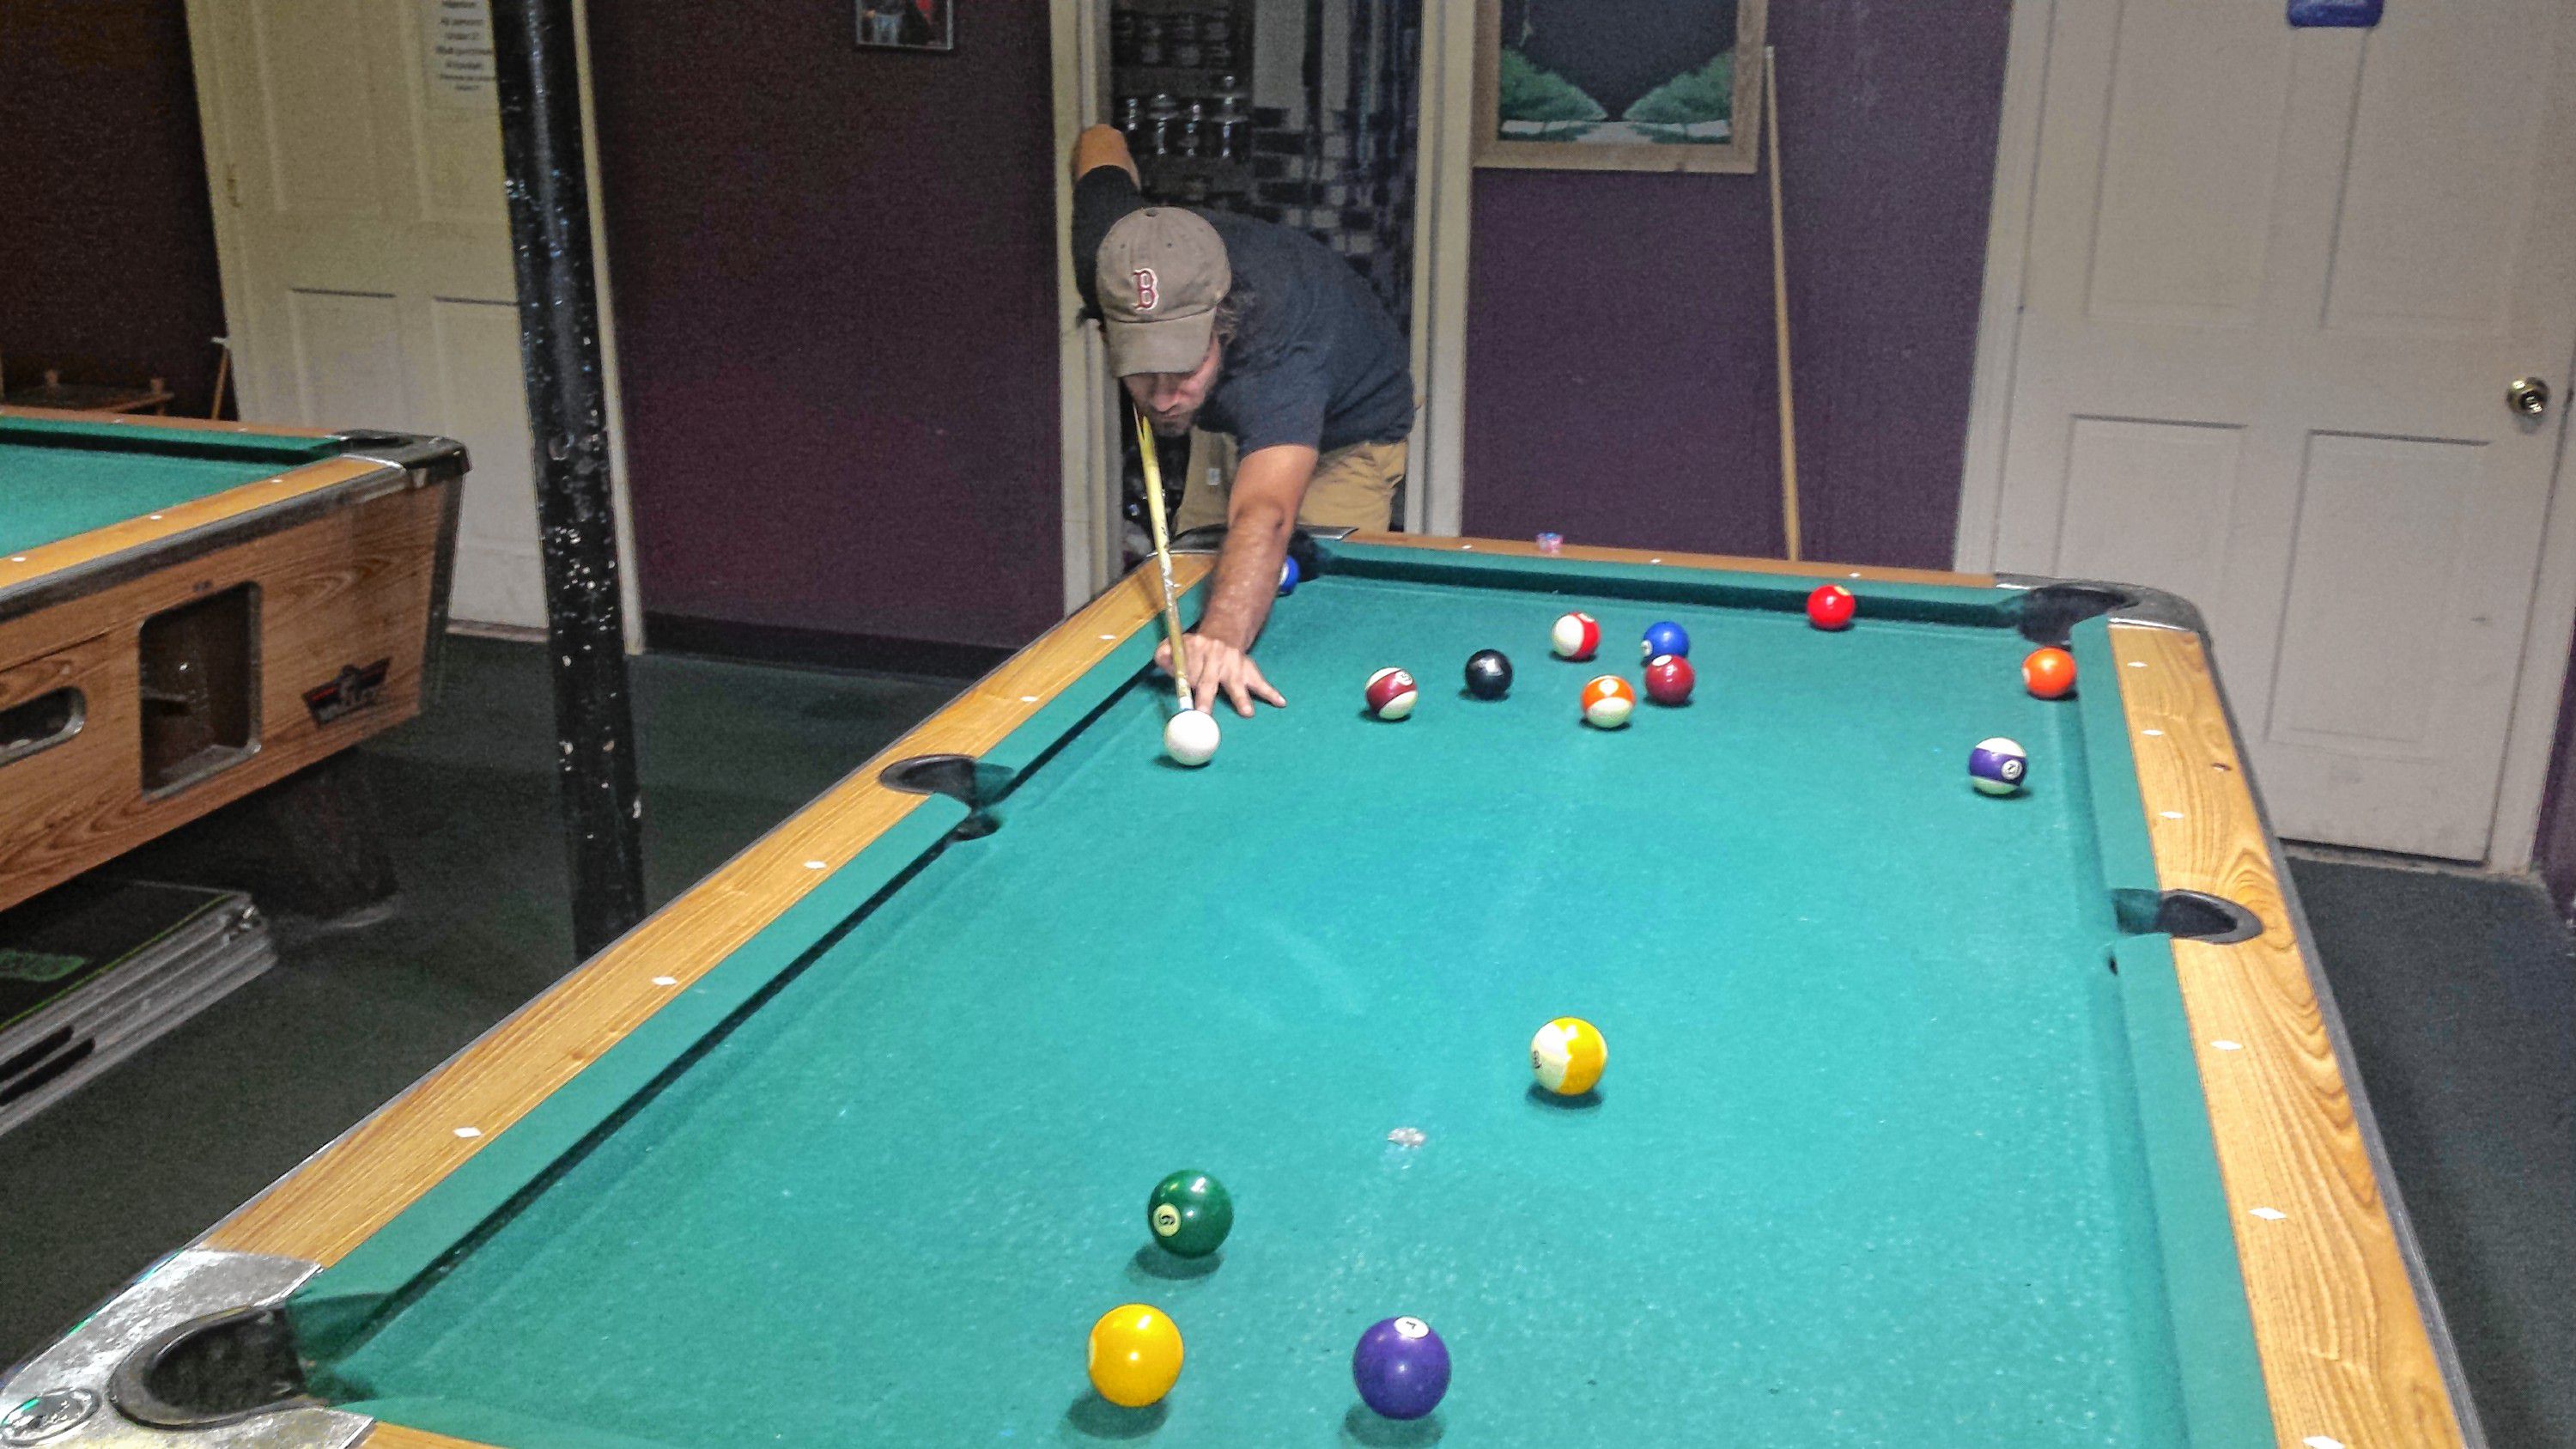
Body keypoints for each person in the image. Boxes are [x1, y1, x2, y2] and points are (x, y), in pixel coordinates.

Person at [1070, 124, 1416, 719]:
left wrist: (1223, 637)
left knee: (1321, 636)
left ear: (1223, 327)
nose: (1164, 397)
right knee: (1198, 566)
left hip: (1351, 435)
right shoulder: (1113, 262)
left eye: (1182, 365)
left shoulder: (1280, 347)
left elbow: (1265, 513)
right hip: (1229, 416)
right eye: (1141, 369)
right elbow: (1099, 142)